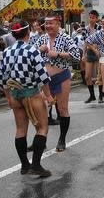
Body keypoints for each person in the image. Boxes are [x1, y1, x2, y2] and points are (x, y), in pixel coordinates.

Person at [0, 20, 54, 177]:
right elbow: (43, 77)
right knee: (42, 128)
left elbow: (1, 80)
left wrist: (8, 97)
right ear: (28, 32)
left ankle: (24, 165)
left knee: (20, 129)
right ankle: (36, 164)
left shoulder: (6, 52)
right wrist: (48, 96)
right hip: (31, 93)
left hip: (15, 94)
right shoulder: (32, 50)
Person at [36, 12, 80, 152]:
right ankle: (40, 140)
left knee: (62, 109)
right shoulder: (42, 38)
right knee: (41, 111)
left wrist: (59, 54)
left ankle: (62, 139)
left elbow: (76, 55)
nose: (48, 26)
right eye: (46, 23)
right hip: (45, 80)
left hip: (61, 76)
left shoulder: (66, 38)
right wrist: (39, 50)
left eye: (51, 23)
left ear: (58, 24)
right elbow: (31, 54)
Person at [83, 10, 102, 104]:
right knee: (87, 76)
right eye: (90, 17)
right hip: (90, 52)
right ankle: (92, 95)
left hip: (99, 51)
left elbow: (102, 40)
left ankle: (101, 95)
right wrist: (83, 54)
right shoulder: (85, 29)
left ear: (97, 18)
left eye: (93, 17)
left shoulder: (100, 28)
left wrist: (96, 48)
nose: (91, 19)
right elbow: (85, 42)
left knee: (99, 75)